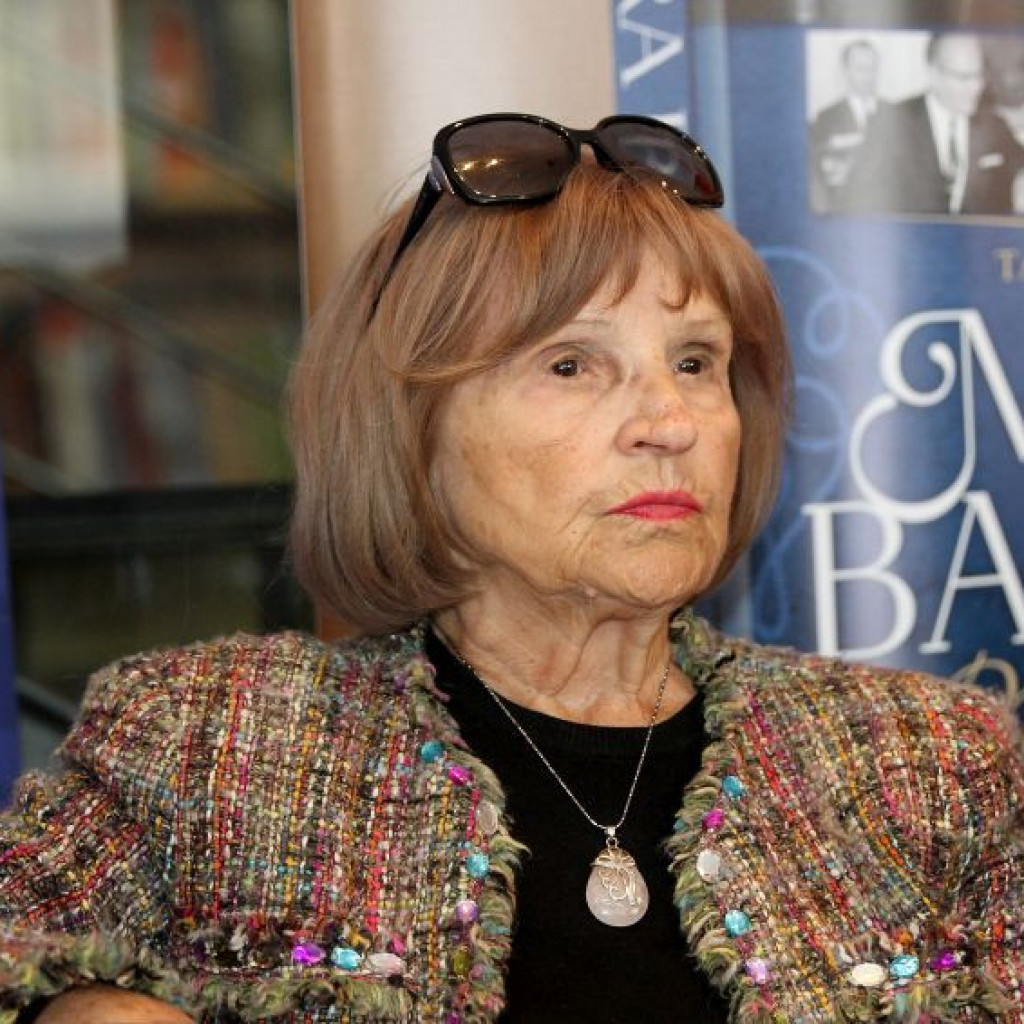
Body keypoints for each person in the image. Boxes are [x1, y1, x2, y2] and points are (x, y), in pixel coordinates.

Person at [2, 112, 1023, 1023]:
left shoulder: (931, 767)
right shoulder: (207, 742)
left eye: (695, 362)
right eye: (571, 364)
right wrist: (86, 1008)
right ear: (414, 429)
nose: (669, 423)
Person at [843, 31, 1024, 215]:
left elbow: (1019, 164)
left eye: (980, 75)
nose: (977, 87)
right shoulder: (891, 124)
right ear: (933, 74)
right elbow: (855, 198)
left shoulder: (994, 126)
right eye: (964, 77)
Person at [810, 39, 890, 211]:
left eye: (872, 68)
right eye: (860, 68)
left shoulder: (895, 113)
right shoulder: (826, 118)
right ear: (845, 71)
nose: (868, 76)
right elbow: (821, 172)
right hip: (844, 210)